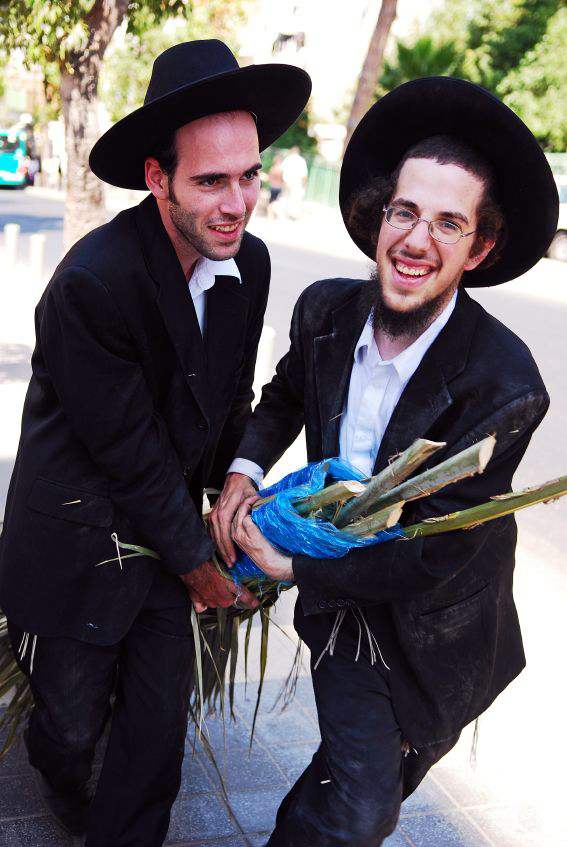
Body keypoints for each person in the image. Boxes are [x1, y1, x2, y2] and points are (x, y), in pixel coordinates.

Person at [209, 77, 559, 846]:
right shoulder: (326, 311)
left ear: (480, 246)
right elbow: (284, 397)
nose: (415, 240)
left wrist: (290, 568)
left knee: (379, 771)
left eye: (447, 222)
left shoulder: (504, 385)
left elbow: (433, 551)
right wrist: (243, 472)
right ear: (377, 217)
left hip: (436, 629)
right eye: (404, 211)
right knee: (360, 808)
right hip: (347, 612)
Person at [0, 39, 310, 846]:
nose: (237, 202)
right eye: (210, 180)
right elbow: (129, 452)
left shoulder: (253, 262)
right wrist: (204, 568)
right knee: (68, 734)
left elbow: (226, 404)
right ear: (155, 178)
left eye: (249, 174)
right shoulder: (93, 283)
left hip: (170, 538)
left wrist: (243, 498)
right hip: (78, 540)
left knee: (154, 741)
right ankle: (68, 786)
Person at [281, 145, 308, 218]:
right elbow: (304, 174)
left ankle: (284, 213)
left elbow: (282, 171)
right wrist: (304, 185)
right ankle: (291, 214)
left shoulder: (288, 159)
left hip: (287, 181)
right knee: (294, 198)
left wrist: (282, 181)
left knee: (285, 197)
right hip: (296, 181)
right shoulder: (301, 160)